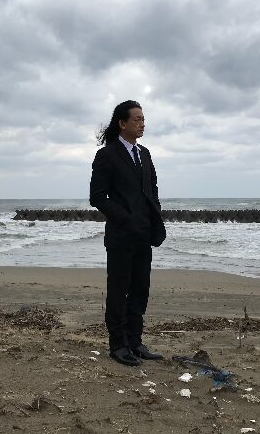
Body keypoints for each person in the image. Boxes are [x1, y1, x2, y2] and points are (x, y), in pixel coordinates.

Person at [89, 100, 166, 366]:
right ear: (122, 123)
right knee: (119, 290)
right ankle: (118, 345)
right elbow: (97, 197)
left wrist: (154, 217)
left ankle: (135, 341)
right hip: (121, 235)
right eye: (137, 119)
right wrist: (126, 218)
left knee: (140, 289)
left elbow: (152, 190)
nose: (142, 124)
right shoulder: (107, 155)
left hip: (144, 234)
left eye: (143, 119)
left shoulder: (144, 153)